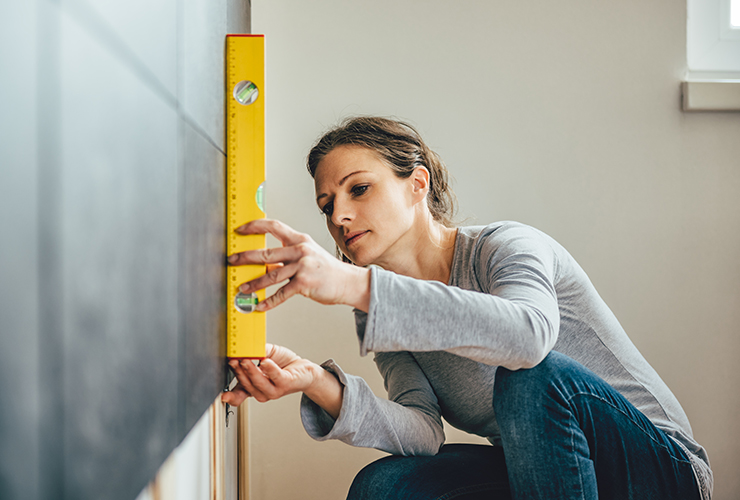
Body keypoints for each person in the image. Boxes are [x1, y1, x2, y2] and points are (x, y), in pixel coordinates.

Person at [221, 117, 712, 500]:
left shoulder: (508, 247)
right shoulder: (378, 307)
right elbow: (422, 430)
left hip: (660, 473)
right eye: (327, 205)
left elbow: (529, 337)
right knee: (385, 486)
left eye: (359, 188)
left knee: (528, 375)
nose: (340, 216)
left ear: (418, 184)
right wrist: (316, 382)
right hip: (547, 478)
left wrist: (356, 284)